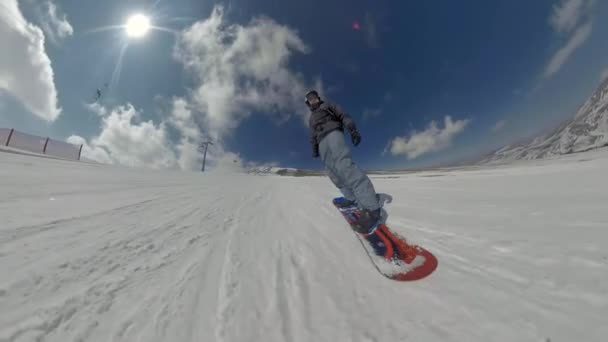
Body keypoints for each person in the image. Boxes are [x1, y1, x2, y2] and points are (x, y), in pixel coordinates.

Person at [305, 90, 382, 233]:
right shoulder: (311, 119)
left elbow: (342, 114)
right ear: (307, 102)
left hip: (333, 133)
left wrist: (352, 129)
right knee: (332, 172)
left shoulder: (327, 105)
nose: (313, 99)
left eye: (314, 97)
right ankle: (351, 198)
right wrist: (314, 149)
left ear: (318, 98)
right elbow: (312, 135)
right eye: (310, 98)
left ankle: (372, 208)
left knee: (344, 164)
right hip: (321, 143)